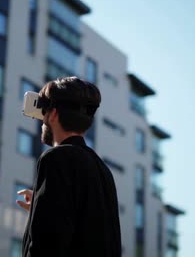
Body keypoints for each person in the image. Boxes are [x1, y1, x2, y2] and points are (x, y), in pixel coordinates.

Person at [16, 76, 122, 256]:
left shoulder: (56, 157)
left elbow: (47, 244)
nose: (42, 121)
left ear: (54, 114)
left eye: (44, 113)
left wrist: (41, 214)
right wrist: (40, 207)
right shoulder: (102, 169)